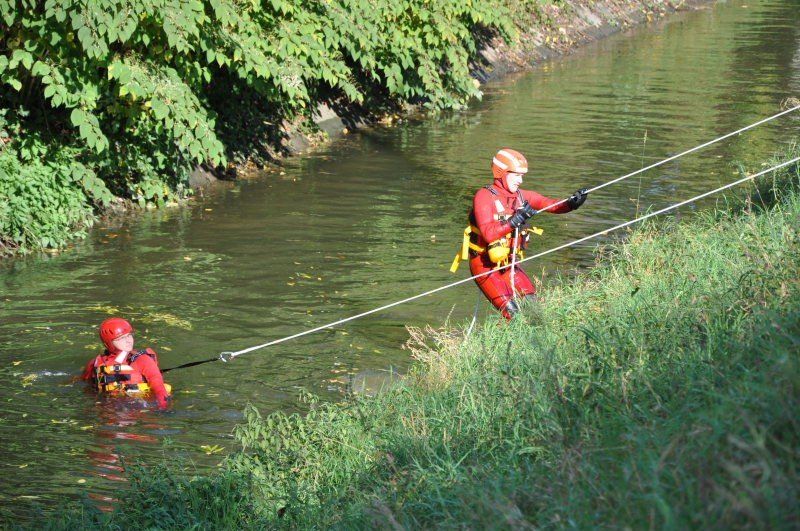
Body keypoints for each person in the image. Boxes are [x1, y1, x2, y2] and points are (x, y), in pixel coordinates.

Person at [464, 148, 587, 319]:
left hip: (508, 264)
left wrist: (571, 204)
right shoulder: (484, 196)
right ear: (501, 173)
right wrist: (516, 220)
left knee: (534, 309)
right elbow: (488, 234)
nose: (520, 181)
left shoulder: (521, 196)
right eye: (516, 175)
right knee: (513, 314)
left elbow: (550, 204)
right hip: (484, 265)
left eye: (522, 176)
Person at [82, 317, 170, 409]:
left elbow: (159, 388)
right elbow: (84, 383)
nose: (128, 341)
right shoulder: (95, 362)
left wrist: (163, 408)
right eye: (121, 338)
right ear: (108, 343)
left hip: (137, 407)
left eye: (129, 335)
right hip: (106, 405)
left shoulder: (143, 360)